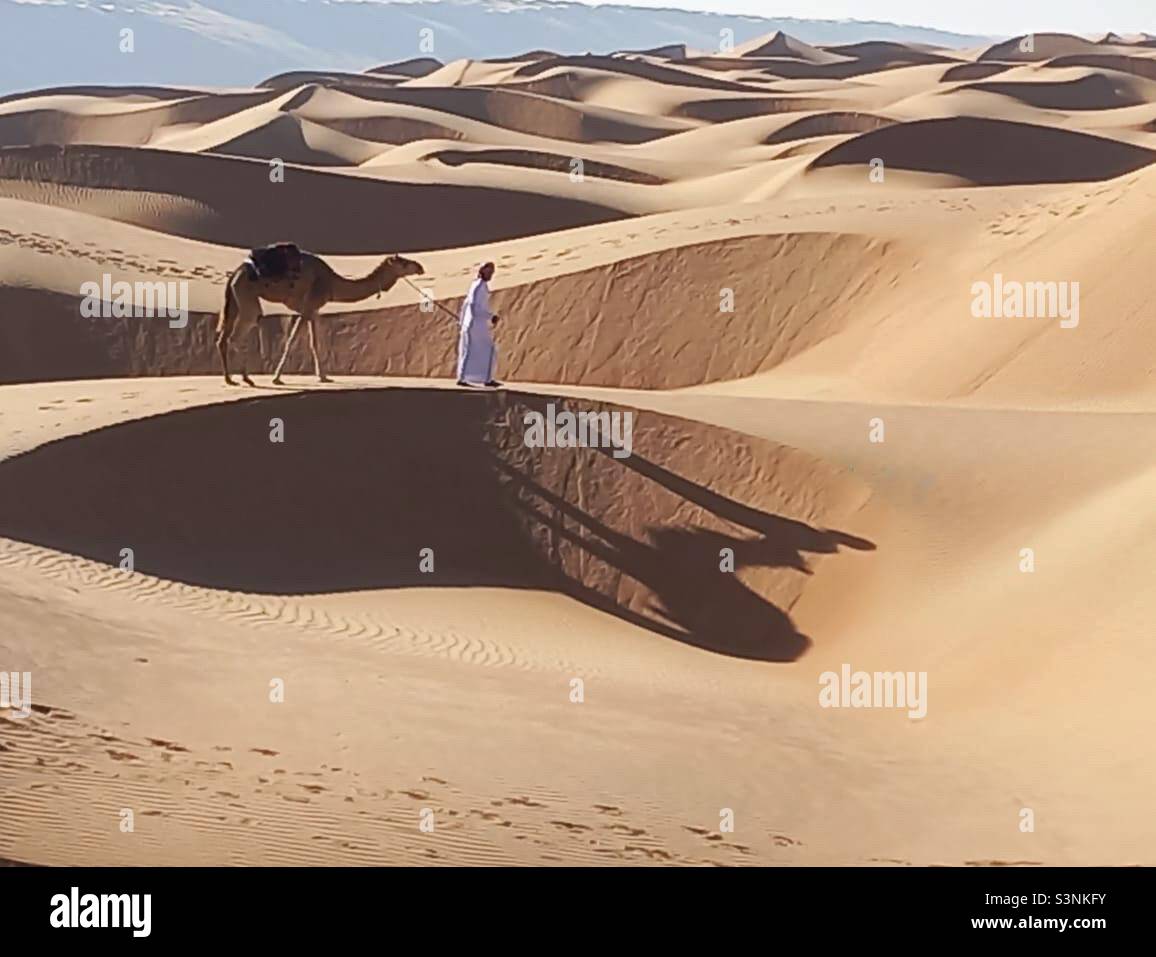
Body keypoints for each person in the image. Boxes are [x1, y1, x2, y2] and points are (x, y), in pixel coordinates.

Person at [457, 262, 501, 388]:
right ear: (483, 271)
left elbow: (466, 304)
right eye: (489, 272)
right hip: (476, 324)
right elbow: (474, 307)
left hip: (471, 323)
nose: (491, 275)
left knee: (469, 350)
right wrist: (491, 316)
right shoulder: (479, 286)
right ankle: (487, 379)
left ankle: (463, 377)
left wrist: (462, 320)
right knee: (488, 349)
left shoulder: (476, 285)